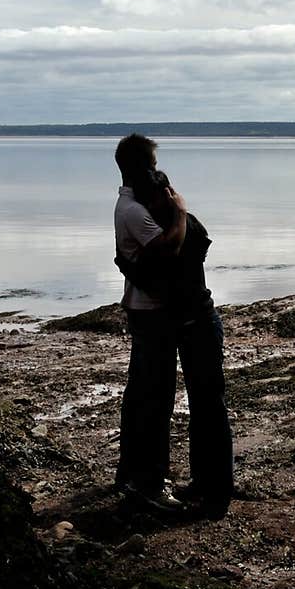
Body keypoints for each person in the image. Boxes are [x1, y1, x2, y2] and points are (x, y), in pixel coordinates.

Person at [113, 132, 234, 518]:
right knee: (159, 399)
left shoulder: (161, 212)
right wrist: (178, 212)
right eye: (150, 167)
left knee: (196, 402)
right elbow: (167, 252)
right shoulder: (142, 211)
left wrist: (128, 262)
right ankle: (158, 482)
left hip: (190, 318)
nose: (155, 175)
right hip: (174, 319)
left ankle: (209, 488)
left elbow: (176, 254)